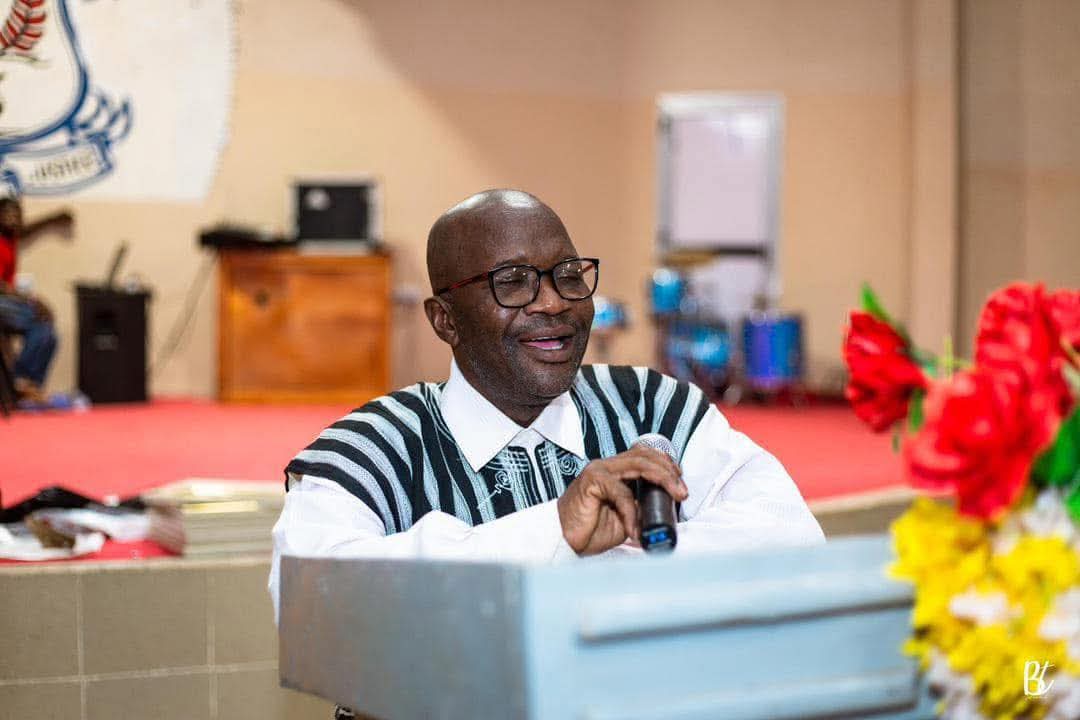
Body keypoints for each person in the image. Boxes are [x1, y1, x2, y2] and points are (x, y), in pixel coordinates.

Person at [269, 189, 824, 616]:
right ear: (445, 320)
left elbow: (790, 539)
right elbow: (309, 597)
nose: (555, 302)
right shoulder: (373, 448)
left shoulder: (653, 406)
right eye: (513, 282)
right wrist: (554, 531)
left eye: (568, 275)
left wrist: (596, 562)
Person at [0, 196, 73, 402]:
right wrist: (30, 300)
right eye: (7, 214)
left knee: (49, 334)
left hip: (7, 301)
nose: (13, 219)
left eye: (17, 215)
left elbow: (26, 229)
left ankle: (30, 386)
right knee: (38, 318)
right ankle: (20, 381)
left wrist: (54, 218)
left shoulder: (11, 238)